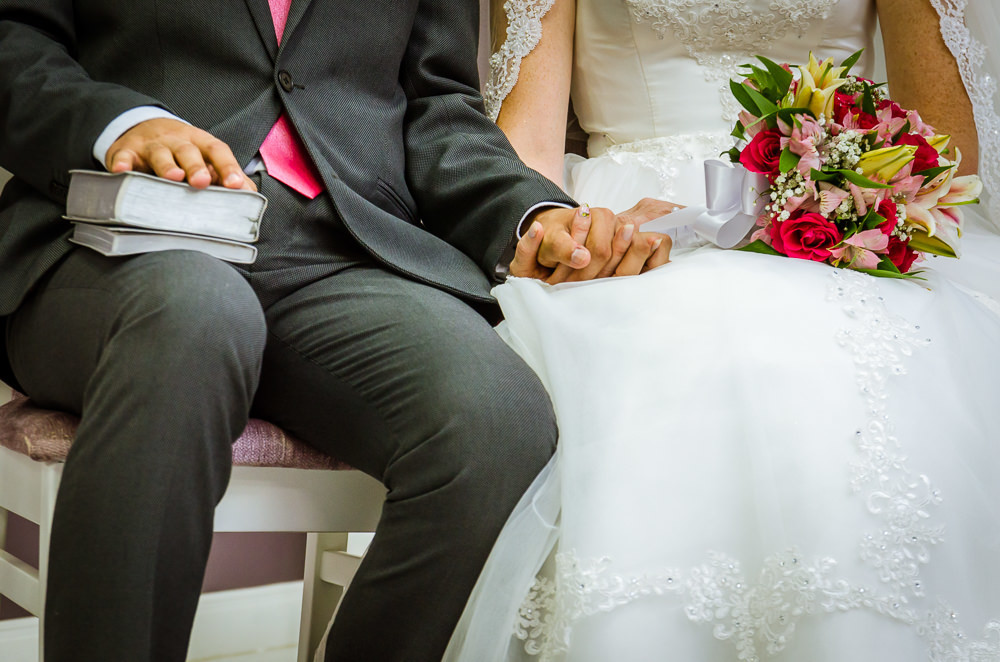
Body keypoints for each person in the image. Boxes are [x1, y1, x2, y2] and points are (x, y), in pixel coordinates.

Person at [0, 1, 675, 660]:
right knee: (198, 316)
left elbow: (438, 108)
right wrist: (120, 125)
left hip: (339, 256)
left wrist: (530, 218)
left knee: (498, 422)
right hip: (115, 245)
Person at [444, 0, 1000, 660]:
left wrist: (836, 194)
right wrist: (564, 235)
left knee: (860, 377)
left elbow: (945, 149)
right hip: (627, 216)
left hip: (835, 209)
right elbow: (527, 146)